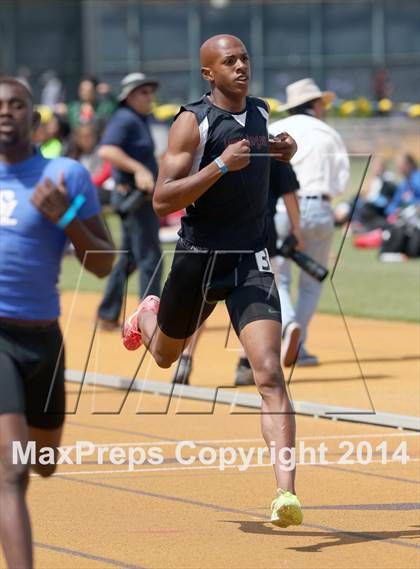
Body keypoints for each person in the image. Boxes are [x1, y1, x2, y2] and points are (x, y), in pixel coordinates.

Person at [122, 35, 303, 527]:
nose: (241, 67)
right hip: (199, 259)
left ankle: (285, 494)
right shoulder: (191, 122)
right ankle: (147, 313)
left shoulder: (263, 113)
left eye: (244, 58)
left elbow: (265, 153)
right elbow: (163, 199)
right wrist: (221, 165)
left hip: (251, 259)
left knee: (268, 372)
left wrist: (283, 150)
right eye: (230, 61)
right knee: (163, 355)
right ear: (209, 73)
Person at [0, 76, 114, 569]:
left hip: (43, 340)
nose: (6, 111)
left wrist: (66, 216)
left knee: (41, 463)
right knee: (10, 470)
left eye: (16, 104)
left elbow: (106, 263)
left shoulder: (66, 175)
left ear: (35, 117)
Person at [269, 78, 349, 367]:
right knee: (311, 284)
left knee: (279, 278)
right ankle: (299, 345)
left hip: (280, 209)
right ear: (315, 105)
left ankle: (289, 324)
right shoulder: (329, 133)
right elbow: (340, 183)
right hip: (321, 208)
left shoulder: (275, 129)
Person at [96, 73, 163, 330]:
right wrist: (139, 169)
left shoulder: (137, 119)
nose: (150, 96)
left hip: (135, 198)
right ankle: (149, 319)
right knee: (150, 258)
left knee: (132, 258)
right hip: (135, 198)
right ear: (129, 97)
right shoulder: (126, 119)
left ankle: (107, 312)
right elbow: (106, 150)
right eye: (143, 92)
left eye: (150, 91)